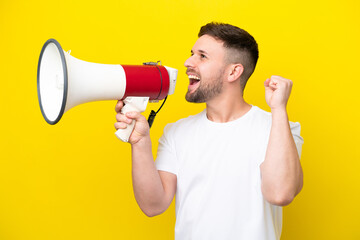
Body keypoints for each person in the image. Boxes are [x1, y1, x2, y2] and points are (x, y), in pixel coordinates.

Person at [114, 22, 304, 240]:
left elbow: (280, 193)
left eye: (202, 56)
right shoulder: (176, 133)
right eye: (192, 53)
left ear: (233, 71)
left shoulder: (280, 128)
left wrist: (279, 108)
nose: (188, 62)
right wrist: (140, 143)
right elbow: (153, 205)